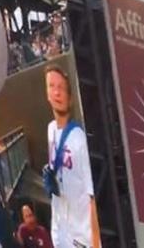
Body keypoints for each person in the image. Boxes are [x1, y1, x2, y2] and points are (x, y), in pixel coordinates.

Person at [44, 65, 100, 248]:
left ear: (70, 97)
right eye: (52, 86)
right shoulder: (50, 130)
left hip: (81, 237)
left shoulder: (80, 139)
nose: (57, 92)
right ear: (47, 94)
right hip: (60, 231)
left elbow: (93, 198)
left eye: (61, 87)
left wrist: (95, 243)